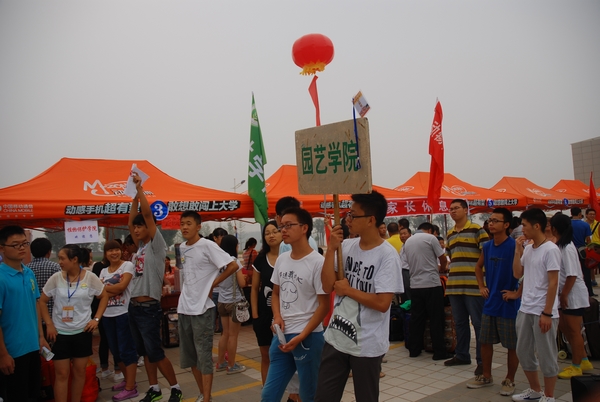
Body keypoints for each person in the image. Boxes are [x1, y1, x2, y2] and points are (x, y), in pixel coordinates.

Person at [315, 191, 404, 402]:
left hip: (367, 344)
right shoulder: (346, 247)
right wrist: (331, 250)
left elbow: (382, 303)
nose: (348, 219)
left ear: (371, 220)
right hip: (336, 338)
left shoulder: (387, 256)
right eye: (348, 214)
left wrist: (348, 290)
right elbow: (327, 286)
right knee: (324, 397)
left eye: (353, 215)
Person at [261, 207, 329, 402]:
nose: (283, 230)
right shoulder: (282, 259)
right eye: (282, 226)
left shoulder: (318, 262)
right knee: (269, 395)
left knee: (309, 395)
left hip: (308, 338)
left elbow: (324, 305)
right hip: (282, 336)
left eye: (289, 225)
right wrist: (277, 317)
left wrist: (303, 335)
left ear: (304, 228)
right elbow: (276, 293)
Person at [127, 173, 182, 402]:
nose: (136, 230)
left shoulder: (156, 245)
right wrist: (132, 197)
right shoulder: (139, 248)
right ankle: (155, 389)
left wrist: (140, 189)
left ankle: (175, 388)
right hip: (134, 307)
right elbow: (131, 221)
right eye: (135, 228)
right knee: (145, 352)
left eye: (140, 227)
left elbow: (147, 215)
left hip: (149, 308)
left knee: (156, 353)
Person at [177, 211, 239, 402]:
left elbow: (233, 265)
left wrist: (213, 284)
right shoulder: (181, 247)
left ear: (198, 226)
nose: (185, 227)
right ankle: (204, 395)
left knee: (204, 356)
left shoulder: (207, 245)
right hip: (184, 308)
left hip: (202, 309)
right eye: (182, 223)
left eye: (189, 223)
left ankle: (206, 398)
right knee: (191, 358)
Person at [39, 244, 108, 402]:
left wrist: (96, 319)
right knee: (61, 374)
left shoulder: (90, 277)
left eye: (62, 258)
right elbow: (42, 301)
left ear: (74, 259)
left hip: (82, 332)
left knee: (79, 372)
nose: (59, 262)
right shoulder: (56, 278)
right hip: (60, 333)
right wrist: (49, 324)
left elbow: (104, 296)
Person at [468, 208, 520, 396]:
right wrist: (481, 286)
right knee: (485, 341)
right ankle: (486, 375)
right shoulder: (488, 246)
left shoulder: (514, 246)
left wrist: (517, 293)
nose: (491, 223)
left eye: (496, 221)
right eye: (490, 220)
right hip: (490, 302)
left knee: (512, 345)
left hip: (508, 304)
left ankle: (510, 379)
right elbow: (478, 267)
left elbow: (526, 271)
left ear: (506, 225)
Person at [511, 208, 560, 402]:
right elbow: (517, 274)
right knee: (523, 351)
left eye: (524, 225)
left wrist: (547, 313)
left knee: (547, 354)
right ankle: (535, 390)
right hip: (525, 308)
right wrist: (518, 251)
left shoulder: (551, 250)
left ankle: (550, 396)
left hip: (543, 310)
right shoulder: (529, 249)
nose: (522, 229)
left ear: (536, 226)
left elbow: (553, 282)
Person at [0, 226, 49, 402]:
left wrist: (41, 337)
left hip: (33, 346)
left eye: (24, 243)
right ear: (2, 248)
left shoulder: (29, 272)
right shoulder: (1, 277)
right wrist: (3, 354)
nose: (22, 248)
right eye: (16, 245)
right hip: (12, 352)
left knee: (33, 394)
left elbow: (36, 304)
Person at [444, 199, 489, 376]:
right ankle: (462, 355)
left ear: (465, 210)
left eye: (456, 208)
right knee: (460, 323)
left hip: (474, 286)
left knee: (478, 324)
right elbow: (450, 257)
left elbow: (486, 257)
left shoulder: (477, 230)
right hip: (454, 286)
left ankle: (482, 361)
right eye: (451, 209)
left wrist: (483, 283)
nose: (453, 211)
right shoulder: (450, 233)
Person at [551, 214, 594, 379]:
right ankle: (583, 359)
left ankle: (577, 366)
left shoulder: (568, 247)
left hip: (572, 294)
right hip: (565, 293)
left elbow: (572, 274)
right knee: (565, 327)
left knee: (574, 330)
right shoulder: (560, 245)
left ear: (554, 228)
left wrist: (564, 294)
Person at [400, 222, 448, 361]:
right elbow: (442, 257)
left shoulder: (408, 242)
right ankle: (439, 351)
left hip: (415, 285)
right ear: (430, 230)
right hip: (432, 284)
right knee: (436, 318)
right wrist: (442, 267)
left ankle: (414, 350)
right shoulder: (431, 238)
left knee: (417, 318)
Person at [98, 240, 139, 401]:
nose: (114, 253)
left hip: (124, 313)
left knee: (127, 350)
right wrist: (108, 290)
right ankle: (128, 380)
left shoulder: (127, 266)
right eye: (110, 250)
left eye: (116, 249)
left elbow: (122, 287)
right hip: (107, 315)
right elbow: (98, 294)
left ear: (121, 251)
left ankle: (131, 387)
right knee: (116, 351)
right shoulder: (103, 271)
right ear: (105, 254)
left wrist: (104, 289)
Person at [251, 221, 282, 385]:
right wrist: (255, 315)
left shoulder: (289, 256)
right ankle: (267, 391)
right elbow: (254, 288)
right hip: (264, 315)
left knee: (287, 355)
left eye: (275, 231)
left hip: (285, 315)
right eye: (267, 233)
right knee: (266, 355)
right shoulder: (260, 259)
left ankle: (293, 394)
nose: (271, 235)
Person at [215, 235, 248, 375]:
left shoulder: (218, 262)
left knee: (225, 334)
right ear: (234, 246)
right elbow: (242, 283)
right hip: (235, 303)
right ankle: (231, 365)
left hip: (222, 301)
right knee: (233, 335)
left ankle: (220, 362)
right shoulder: (234, 261)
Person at [29, 238, 61, 320]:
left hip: (33, 314)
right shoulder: (56, 268)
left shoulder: (26, 269)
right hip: (53, 315)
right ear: (49, 252)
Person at [571, 207, 594, 297]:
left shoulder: (568, 224)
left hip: (571, 250)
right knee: (586, 271)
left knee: (573, 271)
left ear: (571, 213)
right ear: (580, 214)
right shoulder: (585, 225)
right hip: (582, 250)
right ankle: (589, 291)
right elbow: (588, 239)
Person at [241, 238, 258, 323]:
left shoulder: (245, 253)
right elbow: (255, 264)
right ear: (254, 244)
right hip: (252, 274)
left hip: (245, 274)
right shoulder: (254, 252)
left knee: (247, 294)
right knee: (253, 292)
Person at [399, 227, 412, 302]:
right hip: (402, 271)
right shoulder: (403, 246)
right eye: (401, 234)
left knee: (408, 290)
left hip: (408, 271)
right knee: (403, 292)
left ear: (410, 234)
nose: (402, 236)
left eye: (404, 234)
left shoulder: (412, 246)